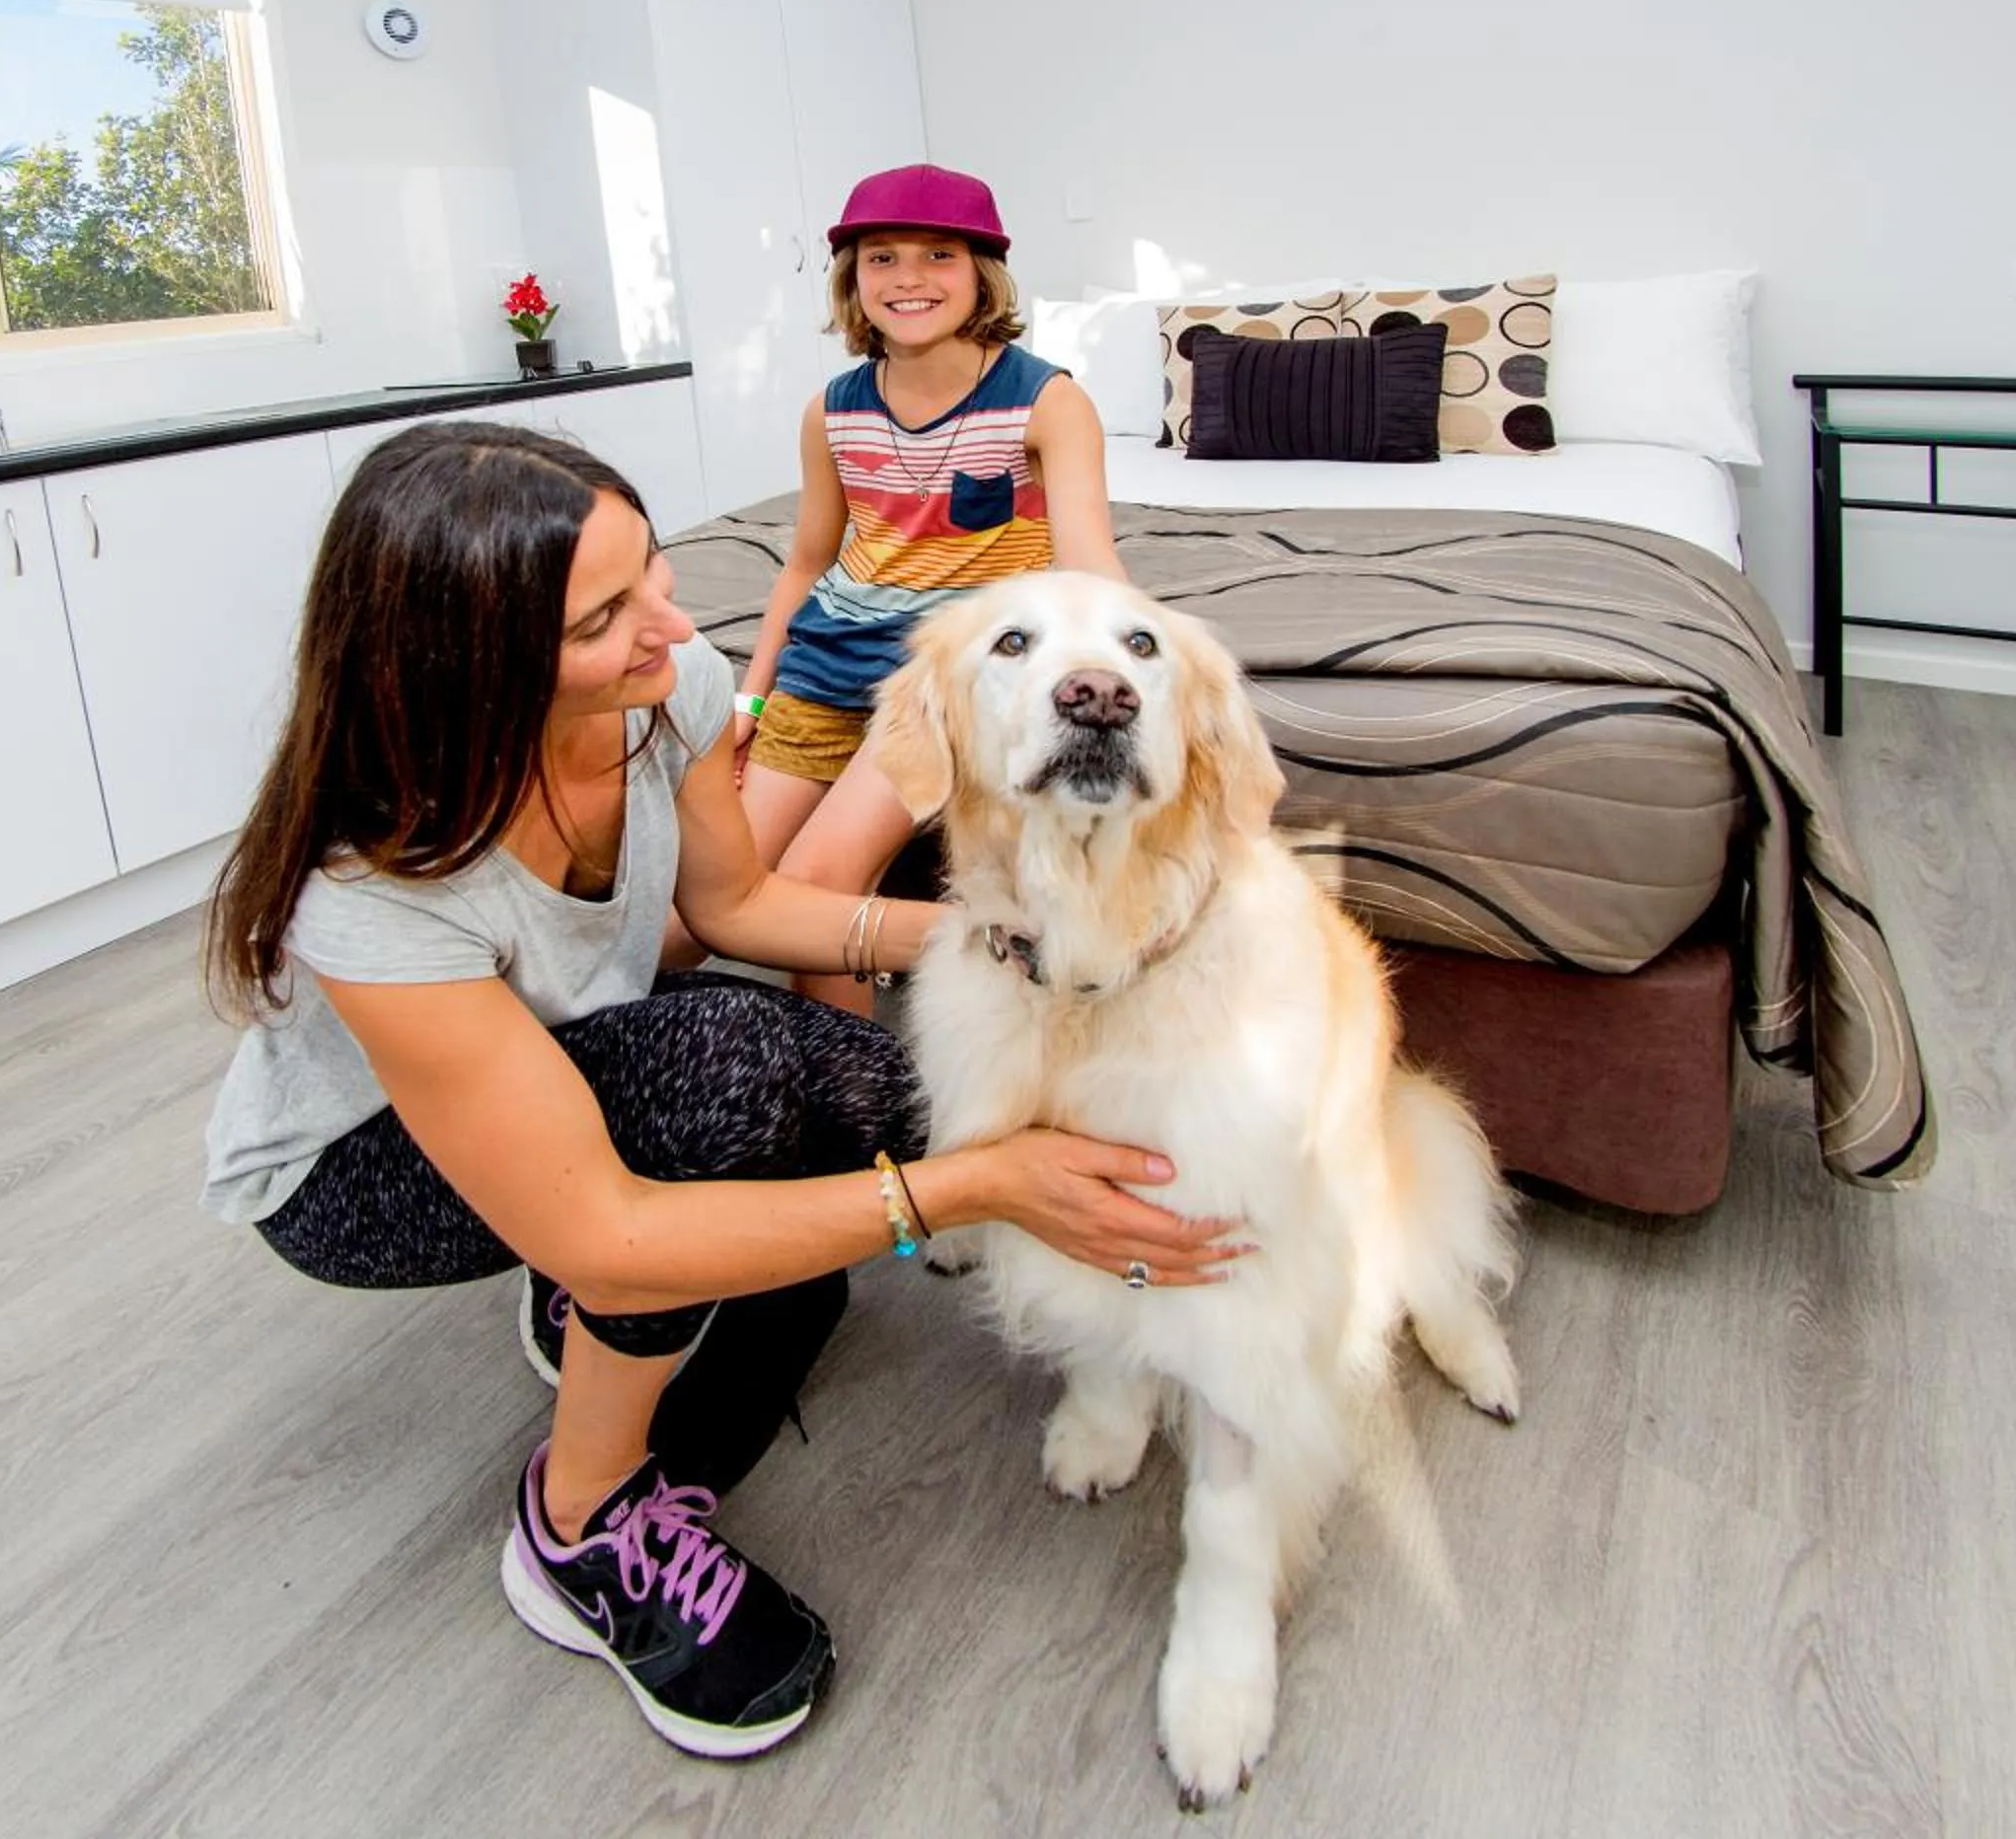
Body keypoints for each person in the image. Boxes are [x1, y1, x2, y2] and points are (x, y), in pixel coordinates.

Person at [197, 422, 1237, 1761]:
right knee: (722, 1104)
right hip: (357, 1172)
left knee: (890, 1100)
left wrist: (1007, 946)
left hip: (569, 1052)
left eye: (652, 572)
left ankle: (588, 1250)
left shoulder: (668, 685)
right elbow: (613, 1233)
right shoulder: (365, 885)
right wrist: (971, 1190)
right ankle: (578, 1528)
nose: (675, 625)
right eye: (603, 619)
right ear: (473, 667)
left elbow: (735, 903)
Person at [721, 163, 1123, 1014]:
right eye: (883, 257)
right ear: (853, 278)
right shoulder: (832, 411)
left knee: (816, 883)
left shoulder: (1048, 402)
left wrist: (1148, 673)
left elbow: (1090, 565)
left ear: (982, 274)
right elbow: (806, 564)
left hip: (942, 682)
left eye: (939, 254)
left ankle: (851, 1085)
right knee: (712, 894)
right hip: (822, 669)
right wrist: (749, 702)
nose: (909, 277)